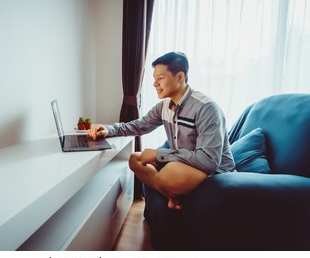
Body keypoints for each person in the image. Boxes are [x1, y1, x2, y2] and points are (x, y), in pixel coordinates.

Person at [88, 51, 235, 210]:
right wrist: (109, 130)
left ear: (179, 77)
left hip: (212, 171)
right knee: (135, 159)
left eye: (160, 78)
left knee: (168, 173)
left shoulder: (206, 108)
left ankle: (170, 188)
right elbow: (139, 125)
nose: (155, 84)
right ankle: (171, 195)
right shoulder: (164, 106)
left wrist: (159, 154)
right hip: (185, 163)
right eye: (154, 78)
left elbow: (208, 161)